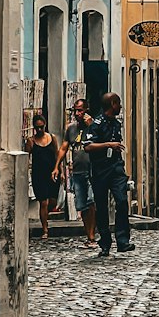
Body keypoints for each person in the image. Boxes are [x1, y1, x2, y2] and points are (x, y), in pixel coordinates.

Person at [84, 92, 134, 256]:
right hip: (100, 169)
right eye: (118, 104)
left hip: (116, 168)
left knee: (121, 201)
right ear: (112, 104)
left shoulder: (116, 124)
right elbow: (88, 147)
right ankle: (105, 242)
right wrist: (108, 145)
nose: (120, 107)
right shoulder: (96, 123)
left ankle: (123, 241)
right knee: (102, 207)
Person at [53, 99, 97, 248]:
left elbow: (102, 140)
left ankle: (92, 236)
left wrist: (91, 125)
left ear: (86, 110)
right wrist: (57, 166)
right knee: (82, 205)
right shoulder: (71, 129)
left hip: (92, 170)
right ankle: (89, 236)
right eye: (75, 111)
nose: (77, 114)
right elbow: (64, 148)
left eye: (80, 110)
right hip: (77, 171)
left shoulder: (94, 125)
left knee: (91, 202)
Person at [27, 113, 59, 241]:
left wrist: (59, 169)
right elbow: (26, 157)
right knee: (43, 202)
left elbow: (57, 154)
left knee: (53, 201)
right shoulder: (31, 141)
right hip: (39, 175)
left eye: (41, 127)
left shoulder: (52, 138)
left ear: (45, 125)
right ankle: (45, 228)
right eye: (37, 128)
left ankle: (45, 218)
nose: (39, 130)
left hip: (52, 173)